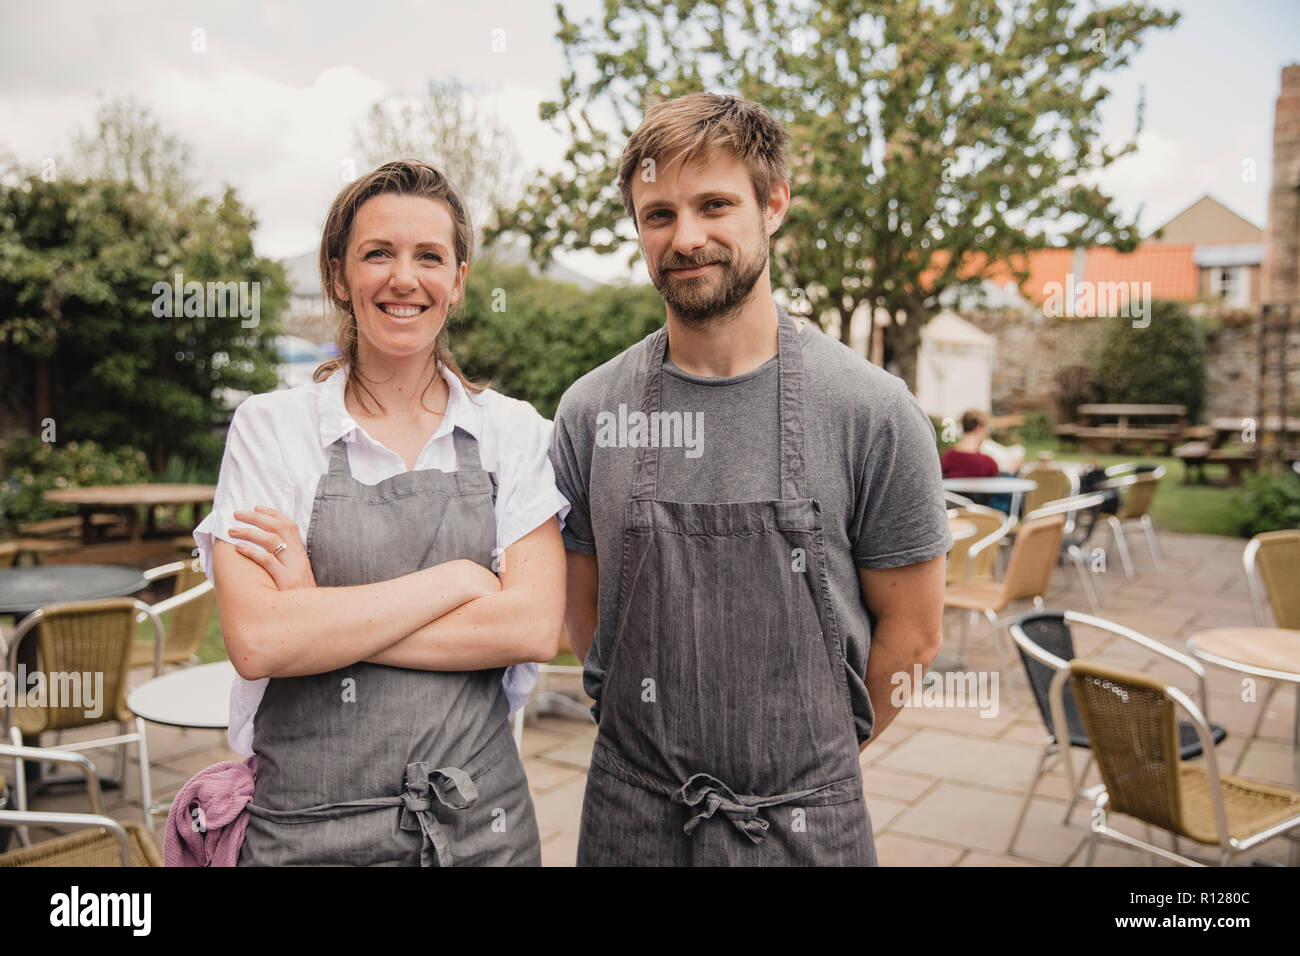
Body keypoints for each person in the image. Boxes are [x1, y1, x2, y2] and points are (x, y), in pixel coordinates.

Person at [549, 93, 951, 866]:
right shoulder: (591, 411)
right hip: (632, 817)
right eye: (657, 213)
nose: (686, 237)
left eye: (714, 205)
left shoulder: (872, 410)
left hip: (804, 823)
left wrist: (812, 770)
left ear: (774, 206)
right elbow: (585, 610)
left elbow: (915, 636)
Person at [192, 160, 569, 866]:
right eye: (377, 254)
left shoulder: (513, 431)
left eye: (430, 256)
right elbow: (259, 641)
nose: (405, 278)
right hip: (307, 834)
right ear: (339, 276)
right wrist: (457, 580)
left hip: (482, 832)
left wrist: (316, 612)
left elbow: (533, 625)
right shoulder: (270, 429)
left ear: (458, 282)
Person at [940, 410, 1000, 478]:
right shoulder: (988, 463)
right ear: (979, 429)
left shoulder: (947, 457)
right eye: (987, 429)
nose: (986, 434)